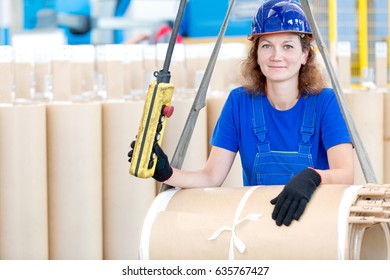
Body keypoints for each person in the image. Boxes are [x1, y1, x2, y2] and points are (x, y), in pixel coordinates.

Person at [129, 0, 354, 226]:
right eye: (266, 46)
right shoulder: (240, 102)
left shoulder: (325, 102)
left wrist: (314, 177)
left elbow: (345, 174)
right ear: (256, 53)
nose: (277, 56)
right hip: (260, 225)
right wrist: (167, 173)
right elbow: (211, 177)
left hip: (316, 226)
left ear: (305, 54)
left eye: (288, 46)